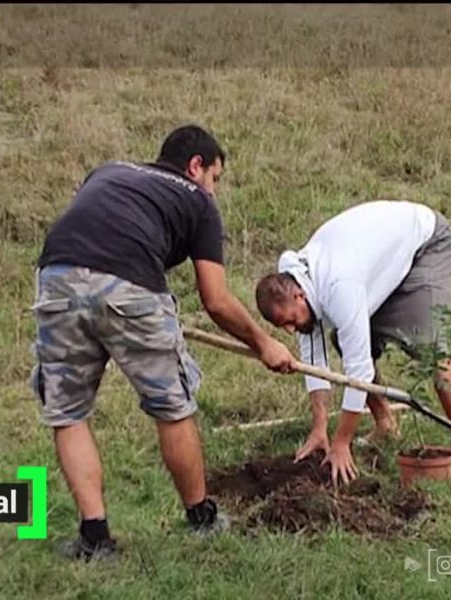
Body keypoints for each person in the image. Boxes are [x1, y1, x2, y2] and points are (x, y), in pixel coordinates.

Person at [30, 125, 296, 560]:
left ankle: (94, 541)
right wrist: (264, 343)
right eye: (216, 177)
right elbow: (216, 299)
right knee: (172, 405)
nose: (215, 189)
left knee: (68, 411)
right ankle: (202, 519)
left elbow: (95, 226)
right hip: (129, 284)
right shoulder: (198, 201)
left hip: (56, 277)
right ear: (197, 166)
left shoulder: (110, 171)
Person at [254, 200, 451, 486]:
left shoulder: (338, 288)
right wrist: (320, 429)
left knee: (430, 350)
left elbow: (358, 372)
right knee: (345, 338)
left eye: (289, 321)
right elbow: (313, 359)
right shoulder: (299, 282)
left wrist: (341, 442)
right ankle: (385, 423)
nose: (288, 330)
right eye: (281, 325)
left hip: (425, 243)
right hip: (379, 265)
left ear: (299, 295)